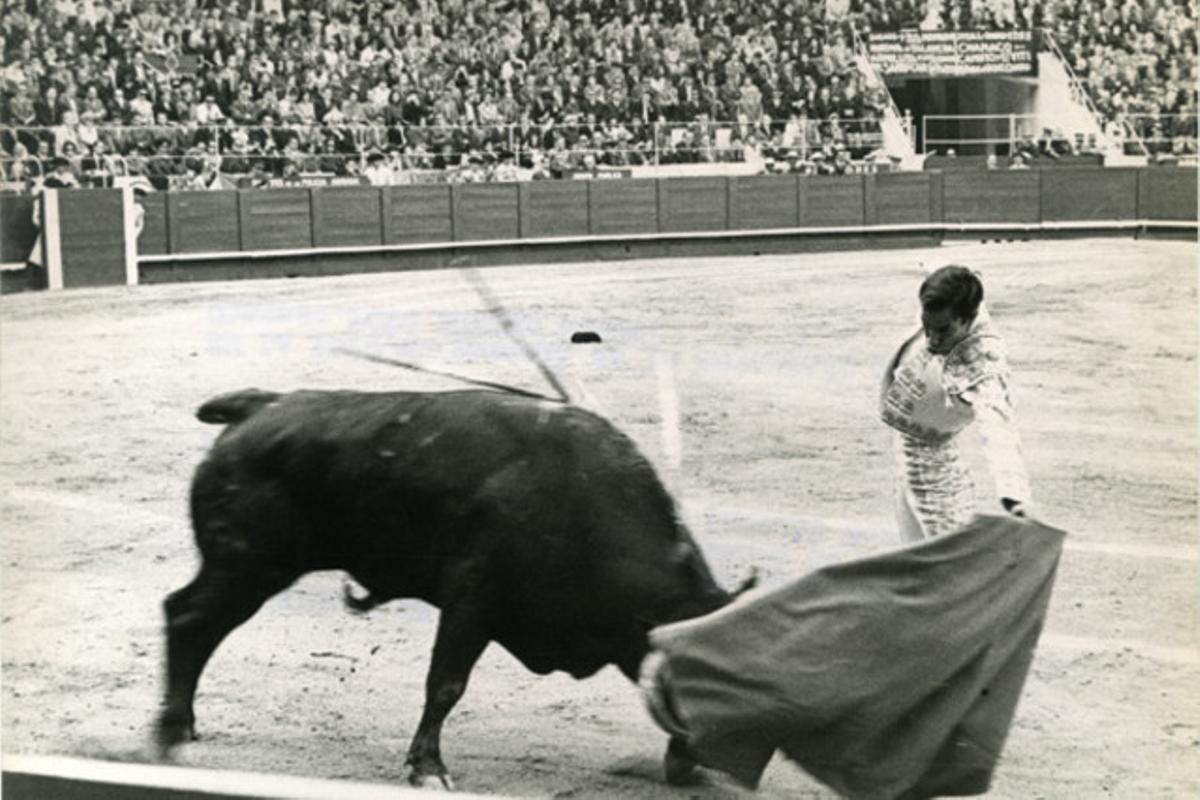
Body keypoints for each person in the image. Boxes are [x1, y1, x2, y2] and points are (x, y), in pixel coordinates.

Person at [880, 265, 1033, 542]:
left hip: (934, 468)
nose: (933, 340)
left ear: (968, 318)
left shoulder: (984, 359)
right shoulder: (949, 302)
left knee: (946, 559)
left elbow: (998, 426)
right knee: (913, 560)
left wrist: (1014, 496)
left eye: (943, 331)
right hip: (905, 449)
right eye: (927, 328)